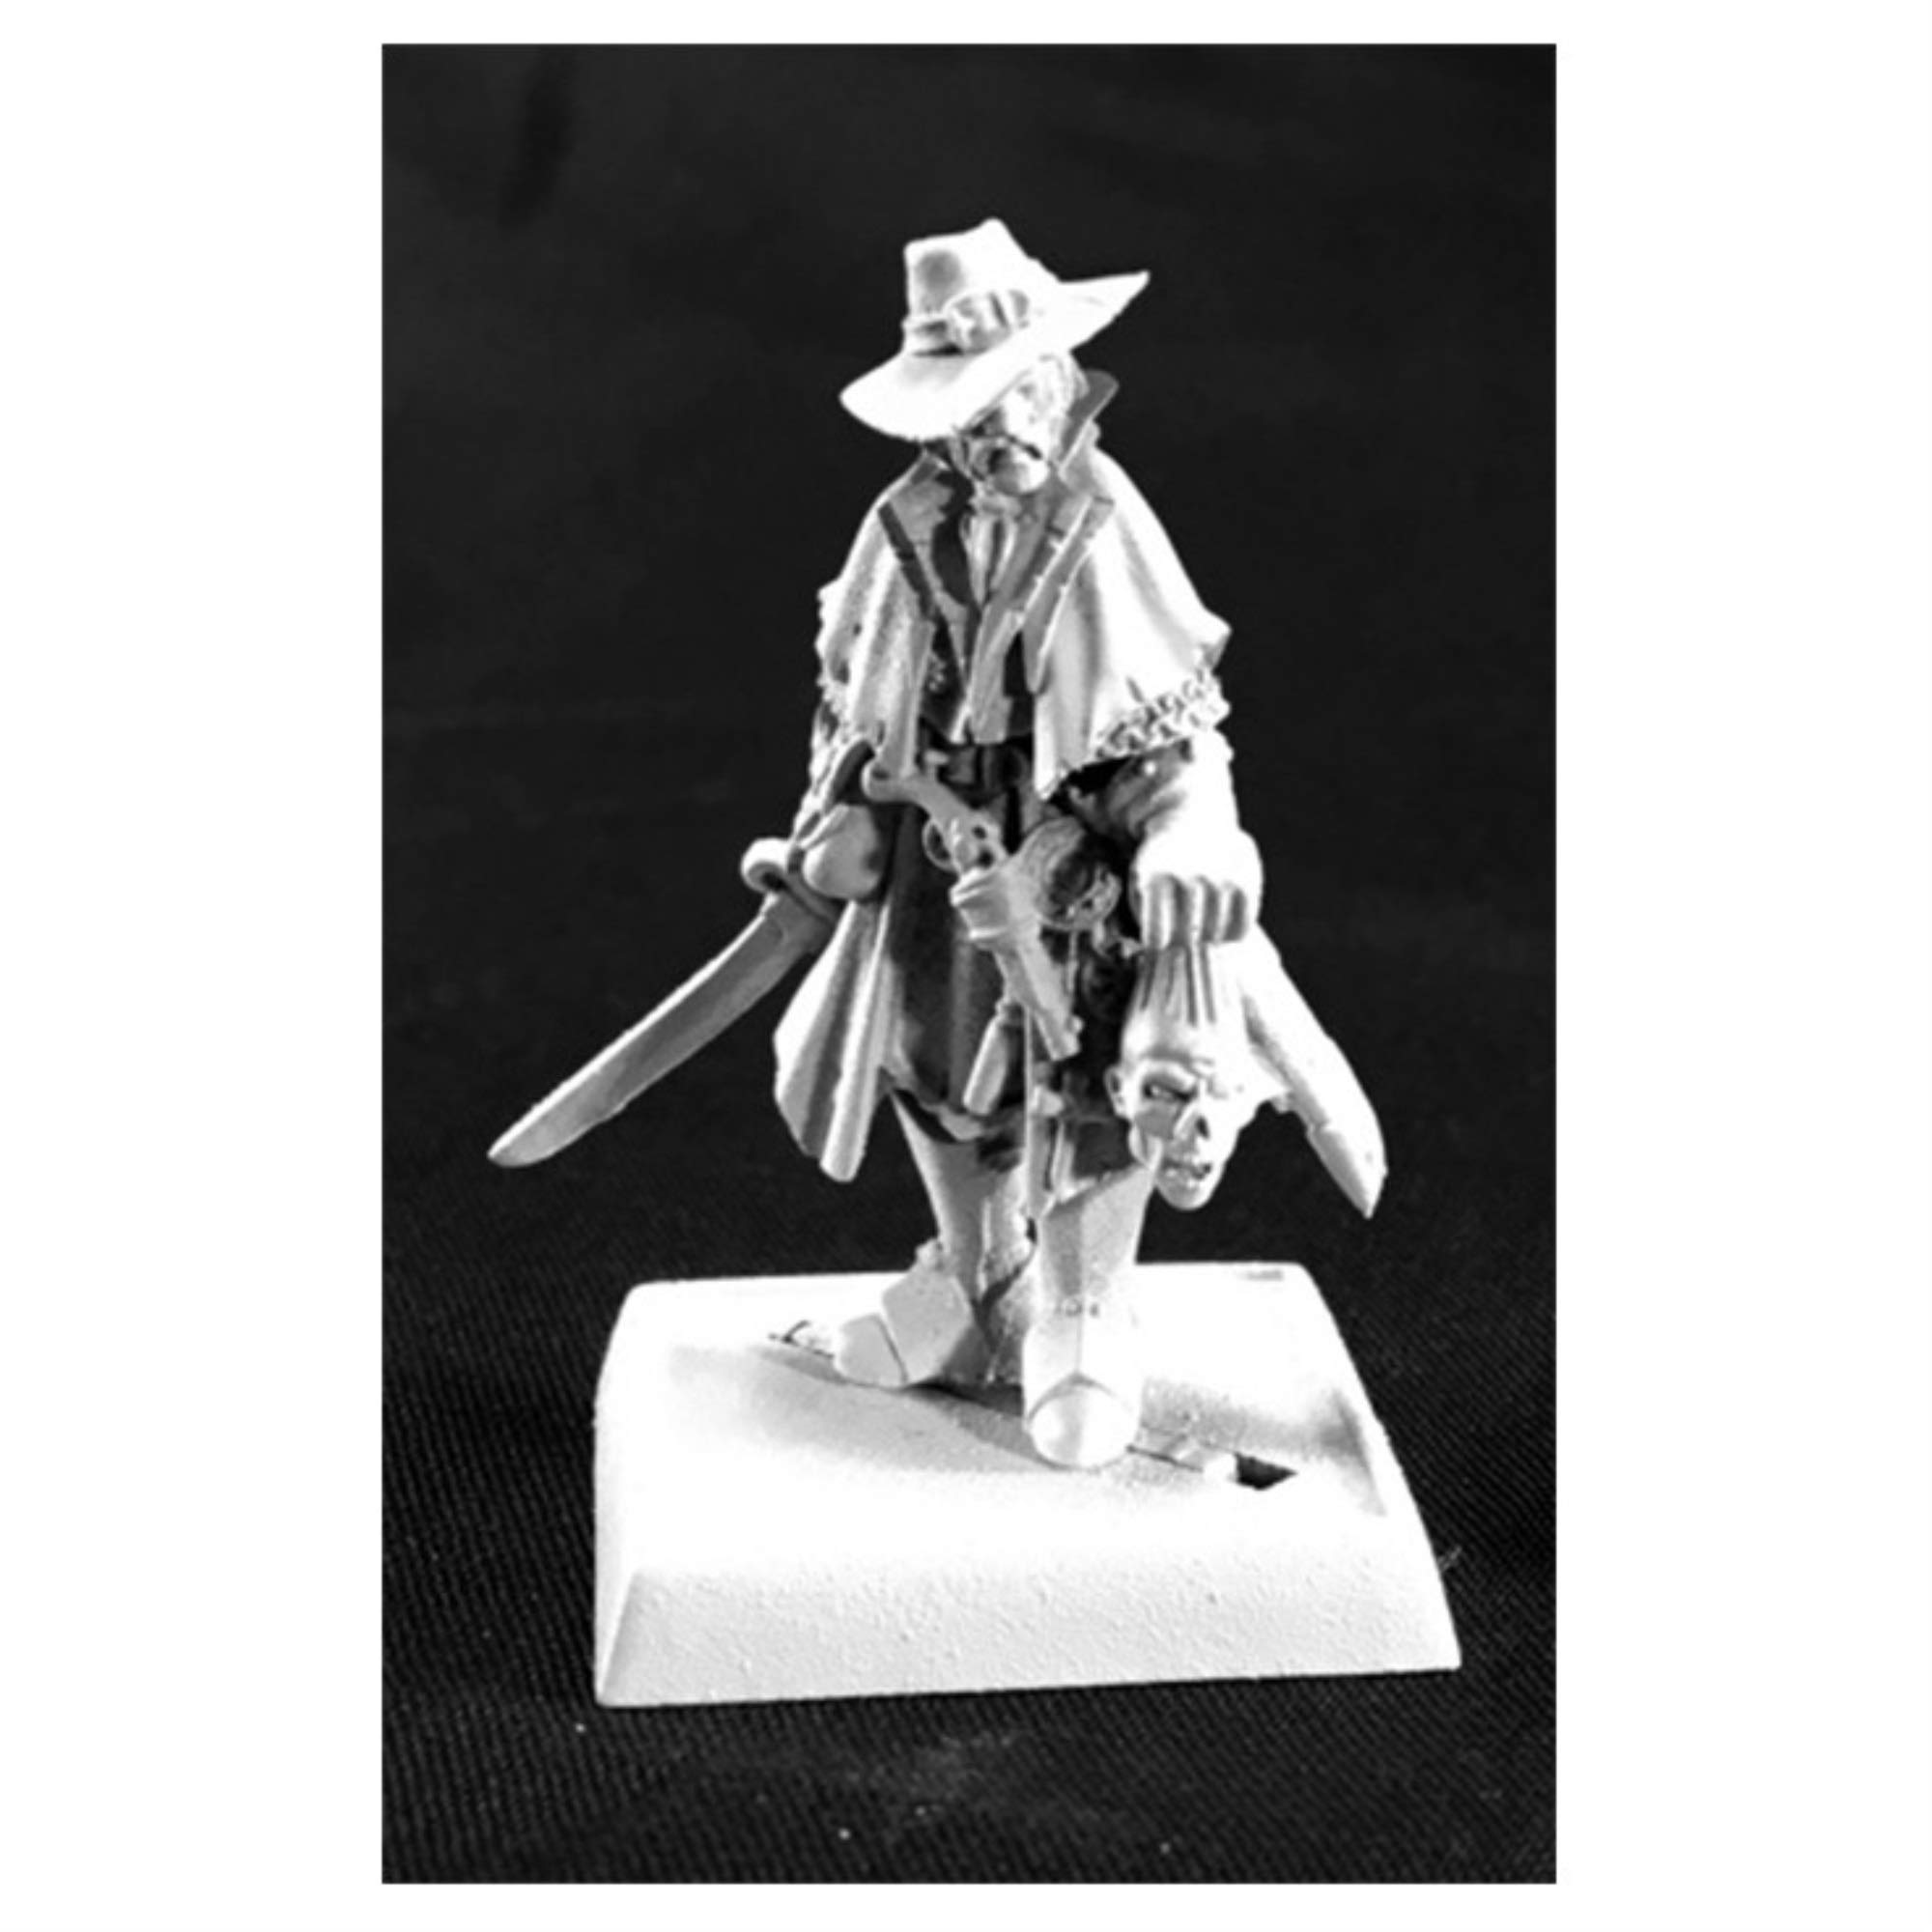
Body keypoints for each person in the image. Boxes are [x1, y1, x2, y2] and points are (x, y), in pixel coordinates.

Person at [759, 218, 1277, 1470]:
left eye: (1010, 398)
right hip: (937, 857)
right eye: (967, 410)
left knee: (1094, 1073)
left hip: (1076, 863)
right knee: (932, 1057)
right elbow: (854, 699)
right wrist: (835, 823)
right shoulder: (904, 522)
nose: (994, 432)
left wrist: (1189, 829)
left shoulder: (1102, 522)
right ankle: (981, 1279)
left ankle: (1085, 1308)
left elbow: (1174, 726)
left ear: (1055, 379)